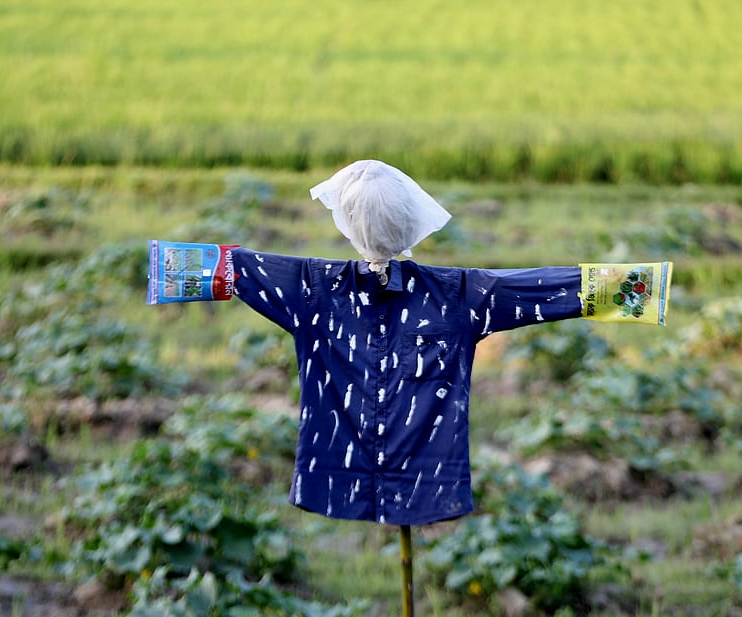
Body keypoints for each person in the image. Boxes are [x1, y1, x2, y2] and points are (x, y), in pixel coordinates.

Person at [228, 160, 588, 526]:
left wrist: (644, 291)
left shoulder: (311, 288)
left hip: (361, 479)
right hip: (406, 481)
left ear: (347, 217)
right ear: (409, 218)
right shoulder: (455, 296)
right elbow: (541, 286)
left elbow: (227, 266)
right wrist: (642, 289)